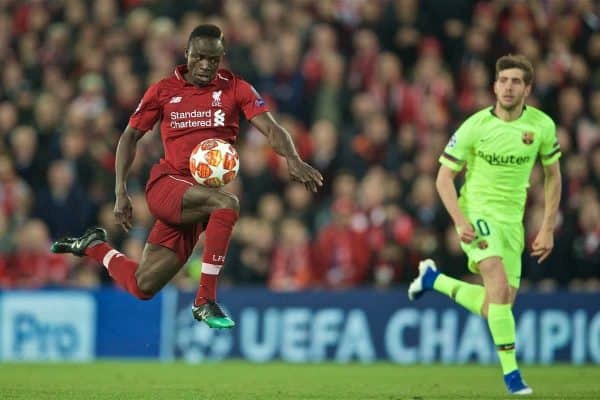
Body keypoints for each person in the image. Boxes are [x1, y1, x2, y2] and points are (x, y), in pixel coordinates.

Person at [51, 24, 323, 329]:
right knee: (227, 204)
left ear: (222, 58)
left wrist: (294, 159)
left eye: (214, 59)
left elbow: (272, 128)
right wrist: (120, 191)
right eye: (200, 57)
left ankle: (93, 245)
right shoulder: (163, 91)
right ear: (187, 54)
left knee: (143, 286)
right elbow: (129, 137)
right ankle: (204, 300)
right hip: (166, 185)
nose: (206, 65)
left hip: (196, 202)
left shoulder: (236, 88)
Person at [407, 54, 561, 395]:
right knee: (494, 276)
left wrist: (547, 226)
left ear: (527, 88)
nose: (508, 87)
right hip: (477, 213)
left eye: (516, 81)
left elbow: (553, 176)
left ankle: (434, 280)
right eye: (503, 80)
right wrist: (460, 220)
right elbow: (444, 178)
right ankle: (512, 376)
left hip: (512, 223)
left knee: (497, 304)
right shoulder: (474, 126)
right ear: (494, 86)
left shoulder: (541, 127)